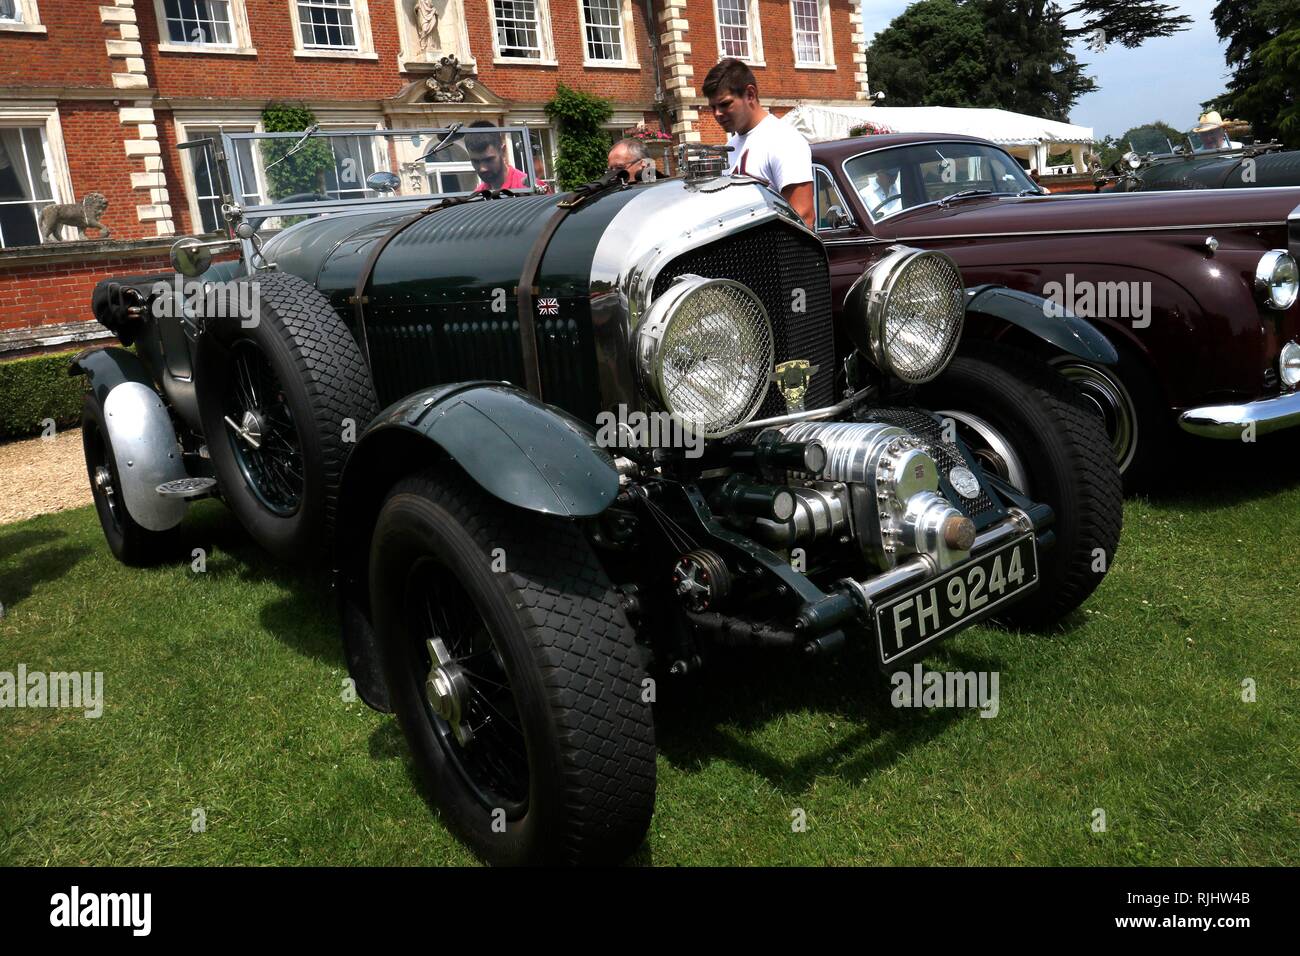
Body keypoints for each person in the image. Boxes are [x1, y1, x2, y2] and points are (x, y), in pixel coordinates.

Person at [702, 58, 814, 227]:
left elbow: (803, 217)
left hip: (775, 252)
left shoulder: (783, 140)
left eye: (725, 104)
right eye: (713, 107)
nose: (717, 113)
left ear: (750, 94)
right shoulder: (730, 148)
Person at [465, 120, 529, 192]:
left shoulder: (528, 189)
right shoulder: (478, 195)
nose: (483, 168)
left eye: (488, 160)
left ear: (503, 151)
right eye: (475, 161)